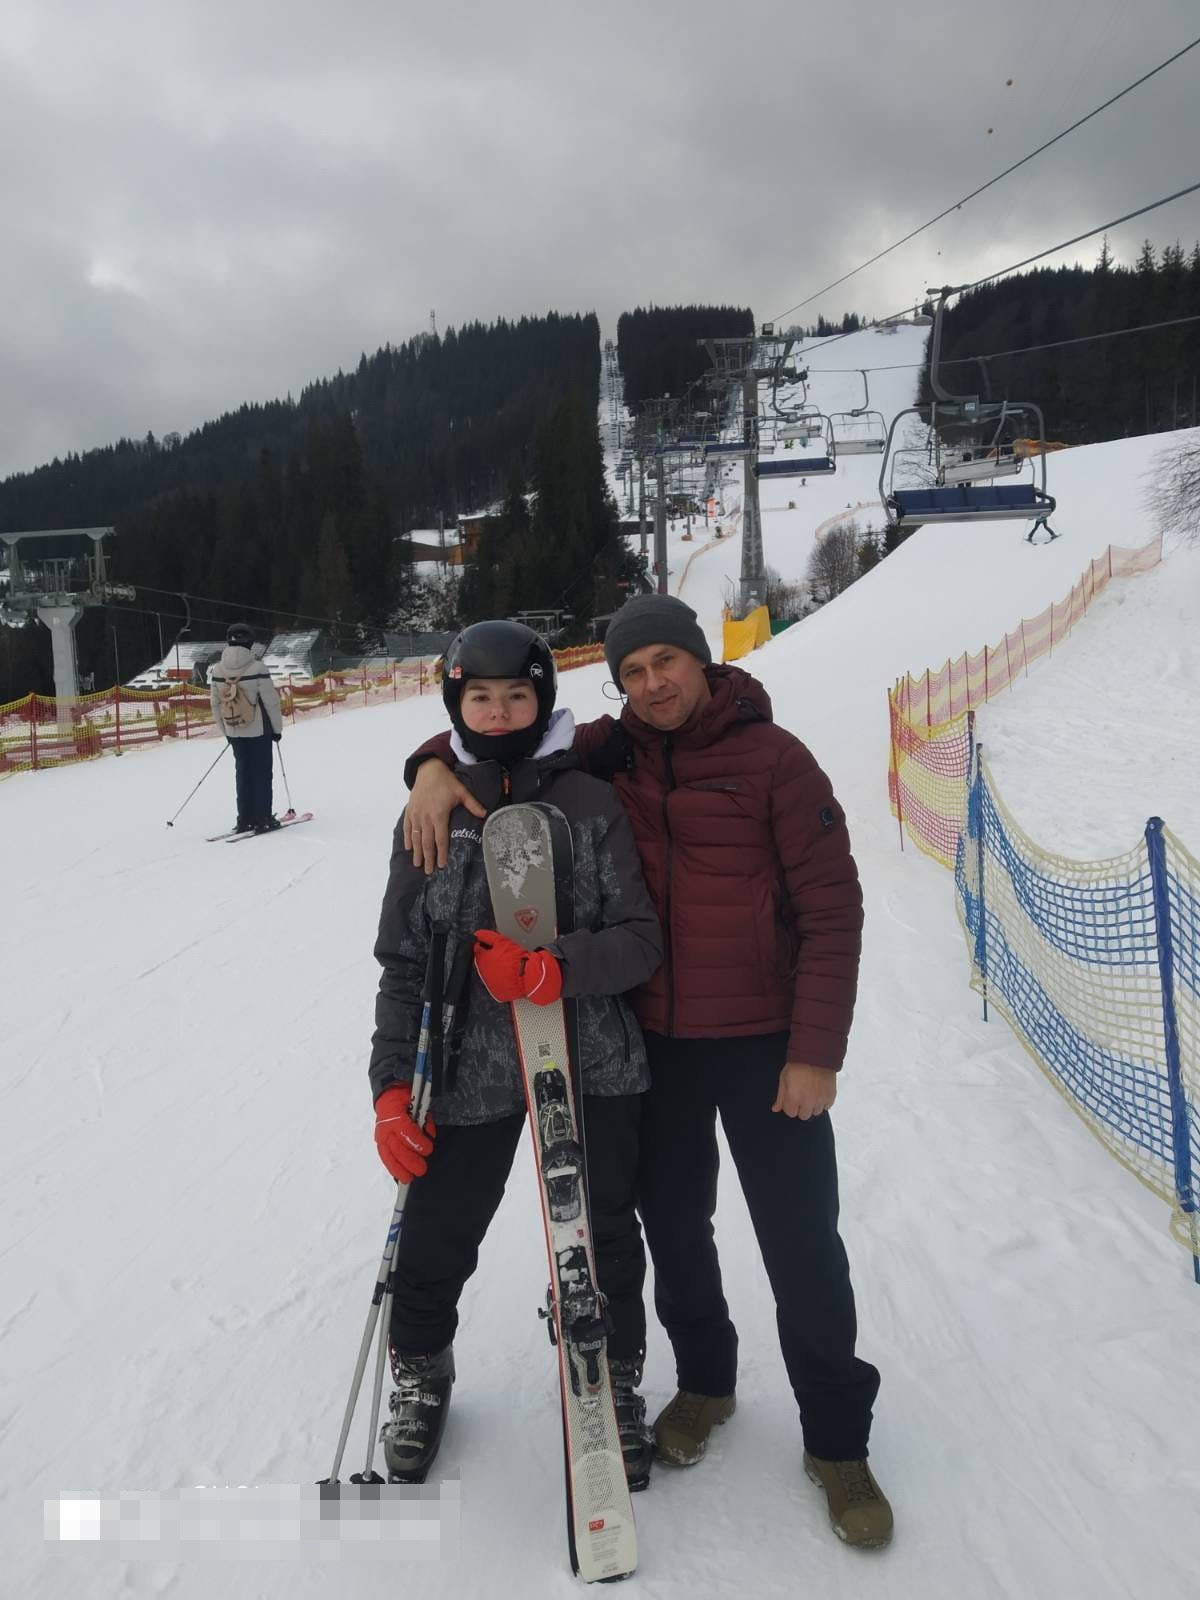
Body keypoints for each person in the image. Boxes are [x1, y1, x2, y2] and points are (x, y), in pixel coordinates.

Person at [402, 594, 891, 1549]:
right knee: (674, 1232)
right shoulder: (609, 751)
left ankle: (838, 1442)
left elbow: (834, 909)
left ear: (702, 661)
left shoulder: (776, 760)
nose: (653, 684)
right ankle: (706, 1382)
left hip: (764, 1046)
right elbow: (503, 732)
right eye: (631, 672)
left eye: (666, 661)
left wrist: (815, 1052)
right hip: (657, 1044)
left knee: (801, 1244)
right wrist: (427, 768)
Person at [370, 620, 662, 1487]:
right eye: (480, 698)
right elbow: (404, 963)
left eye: (518, 696)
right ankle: (422, 1371)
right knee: (438, 1230)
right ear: (455, 703)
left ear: (544, 700)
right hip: (467, 1062)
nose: (498, 713)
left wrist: (552, 967)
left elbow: (640, 938)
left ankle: (612, 1375)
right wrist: (391, 1088)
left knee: (601, 1230)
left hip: (589, 1052)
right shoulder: (432, 810)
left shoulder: (590, 803)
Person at [209, 623, 283, 834]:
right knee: (262, 773)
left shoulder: (217, 670)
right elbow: (271, 702)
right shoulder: (258, 668)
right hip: (259, 730)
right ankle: (262, 817)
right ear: (250, 642)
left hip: (234, 729)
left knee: (242, 773)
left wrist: (226, 731)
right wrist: (277, 729)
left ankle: (245, 818)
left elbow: (215, 704)